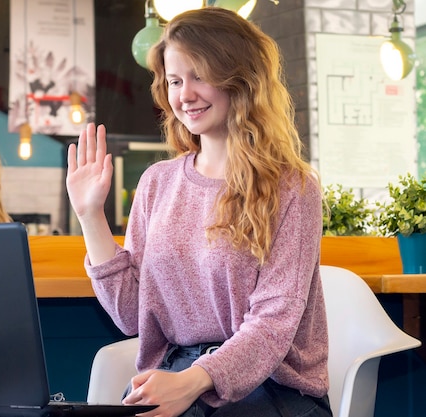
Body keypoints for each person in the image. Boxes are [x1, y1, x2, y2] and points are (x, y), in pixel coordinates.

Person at [65, 7, 331, 417]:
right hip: (175, 371)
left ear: (240, 79)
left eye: (199, 76)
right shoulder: (157, 182)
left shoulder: (292, 188)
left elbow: (274, 323)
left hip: (273, 387)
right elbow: (133, 316)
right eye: (174, 80)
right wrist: (89, 215)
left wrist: (191, 383)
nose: (184, 95)